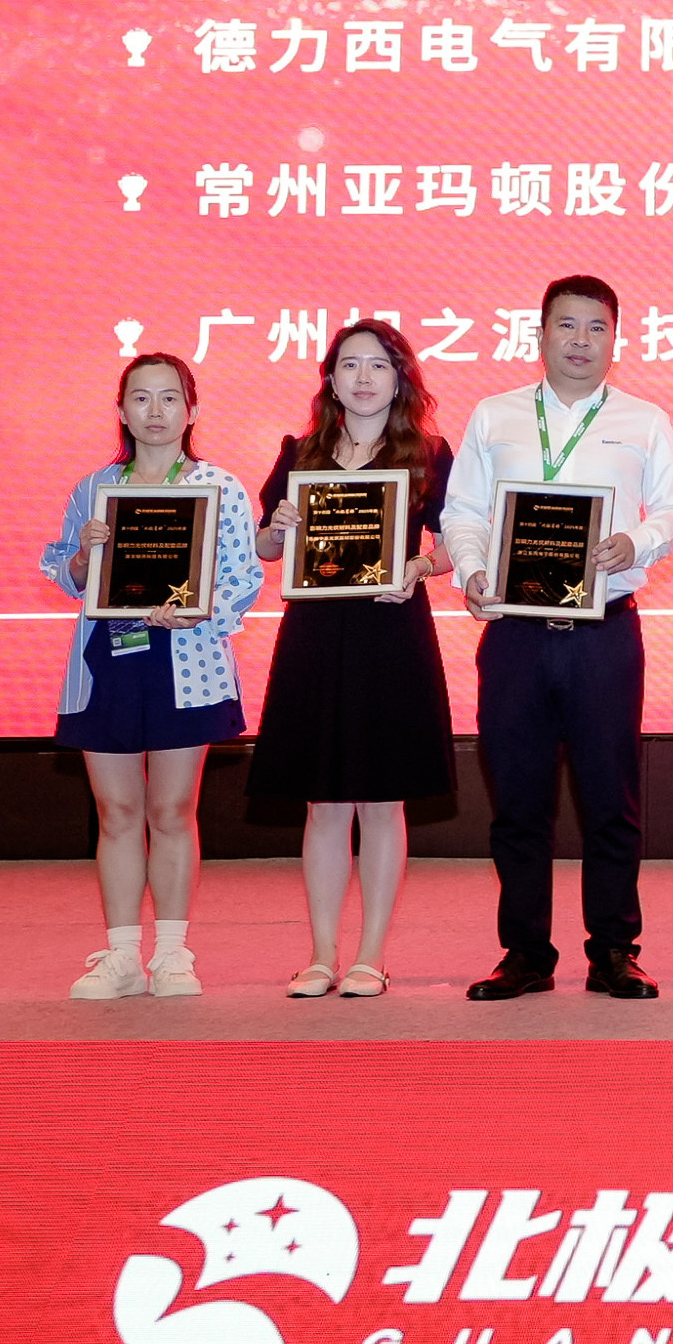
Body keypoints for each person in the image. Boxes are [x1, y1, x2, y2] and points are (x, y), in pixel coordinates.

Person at [439, 276, 673, 1002]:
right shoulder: (495, 415)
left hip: (603, 634)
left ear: (616, 339)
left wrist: (636, 540)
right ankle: (524, 953)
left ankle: (614, 950)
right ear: (541, 333)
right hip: (516, 636)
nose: (581, 341)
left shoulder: (645, 419)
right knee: (518, 800)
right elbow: (463, 511)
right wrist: (475, 569)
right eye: (567, 325)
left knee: (612, 798)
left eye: (596, 327)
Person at [38, 352, 265, 999]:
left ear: (191, 410)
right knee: (116, 812)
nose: (155, 411)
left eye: (169, 398)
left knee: (170, 810)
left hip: (186, 660)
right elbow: (64, 571)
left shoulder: (219, 487)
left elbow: (244, 577)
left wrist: (196, 610)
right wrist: (84, 556)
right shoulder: (94, 488)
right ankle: (121, 957)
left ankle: (172, 954)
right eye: (141, 398)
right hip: (106, 661)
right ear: (121, 410)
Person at [246, 320, 455, 998]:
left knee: (383, 799)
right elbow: (266, 548)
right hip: (315, 634)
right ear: (331, 380)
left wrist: (418, 566)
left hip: (392, 633)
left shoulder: (428, 453)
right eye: (350, 365)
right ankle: (320, 954)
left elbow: (457, 544)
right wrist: (276, 529)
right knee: (324, 802)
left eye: (378, 365)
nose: (364, 377)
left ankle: (370, 955)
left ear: (400, 379)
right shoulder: (300, 451)